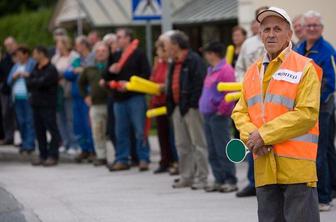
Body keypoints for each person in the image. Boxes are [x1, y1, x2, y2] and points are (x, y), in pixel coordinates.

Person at [232, 7, 321, 221]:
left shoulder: (305, 67)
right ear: (260, 34)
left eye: (277, 29)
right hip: (264, 168)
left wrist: (263, 136)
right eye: (266, 29)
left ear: (289, 34)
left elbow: (307, 114)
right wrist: (253, 137)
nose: (271, 34)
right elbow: (240, 113)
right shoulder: (253, 71)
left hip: (296, 169)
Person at [296, 10, 336, 211]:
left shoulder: (327, 51)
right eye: (308, 25)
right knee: (323, 150)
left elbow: (331, 82)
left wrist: (312, 101)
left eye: (315, 26)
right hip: (303, 108)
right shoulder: (299, 48)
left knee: (319, 151)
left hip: (322, 108)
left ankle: (323, 197)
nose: (311, 29)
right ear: (303, 27)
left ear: (321, 28)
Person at [102, 28, 151, 172]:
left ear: (128, 38)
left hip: (135, 96)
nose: (117, 40)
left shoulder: (139, 54)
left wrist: (129, 84)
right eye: (117, 37)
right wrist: (110, 71)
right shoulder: (115, 55)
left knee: (139, 129)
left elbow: (146, 74)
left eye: (120, 37)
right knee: (120, 130)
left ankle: (143, 158)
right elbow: (105, 77)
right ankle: (122, 158)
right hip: (119, 98)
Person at [164, 30, 208, 189]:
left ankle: (202, 177)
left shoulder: (193, 60)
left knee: (198, 144)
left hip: (191, 108)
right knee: (182, 145)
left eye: (167, 46)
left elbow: (199, 84)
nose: (165, 49)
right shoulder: (173, 62)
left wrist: (192, 104)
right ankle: (186, 176)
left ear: (176, 45)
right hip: (177, 108)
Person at [234, 6, 268, 198]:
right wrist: (243, 85)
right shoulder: (248, 44)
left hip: (273, 102)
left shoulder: (283, 41)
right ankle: (252, 181)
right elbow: (240, 68)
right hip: (253, 100)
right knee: (250, 138)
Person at [199, 42, 237, 193]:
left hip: (218, 115)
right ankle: (219, 178)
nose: (206, 56)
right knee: (213, 149)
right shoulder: (211, 70)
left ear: (213, 54)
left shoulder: (225, 70)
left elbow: (229, 93)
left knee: (222, 148)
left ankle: (230, 179)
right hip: (208, 115)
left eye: (207, 53)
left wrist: (222, 110)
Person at [27, 46, 61, 167]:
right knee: (39, 131)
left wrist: (36, 82)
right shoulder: (35, 67)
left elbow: (44, 82)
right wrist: (36, 81)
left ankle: (53, 155)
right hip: (36, 103)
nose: (33, 56)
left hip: (48, 104)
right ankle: (43, 155)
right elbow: (29, 83)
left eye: (35, 53)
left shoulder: (51, 69)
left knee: (52, 130)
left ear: (42, 54)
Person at [64, 35, 95, 163]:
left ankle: (93, 150)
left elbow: (92, 73)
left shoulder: (92, 58)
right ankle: (84, 149)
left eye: (77, 45)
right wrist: (76, 71)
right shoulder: (77, 59)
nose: (76, 47)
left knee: (89, 124)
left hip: (87, 96)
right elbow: (67, 73)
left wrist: (81, 70)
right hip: (76, 96)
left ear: (84, 45)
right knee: (78, 125)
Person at [150, 34, 178, 174]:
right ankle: (165, 160)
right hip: (157, 100)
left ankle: (174, 160)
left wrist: (163, 86)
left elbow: (171, 80)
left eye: (160, 50)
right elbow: (153, 77)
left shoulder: (171, 62)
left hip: (167, 101)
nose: (158, 53)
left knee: (172, 133)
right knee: (162, 133)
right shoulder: (158, 63)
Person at [78, 42, 109, 167]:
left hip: (110, 103)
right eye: (98, 51)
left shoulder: (112, 66)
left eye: (103, 51)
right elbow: (81, 83)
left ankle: (120, 156)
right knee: (97, 131)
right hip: (96, 104)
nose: (101, 53)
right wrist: (85, 96)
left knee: (113, 131)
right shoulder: (89, 68)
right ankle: (101, 156)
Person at [52, 36, 79, 154]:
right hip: (57, 91)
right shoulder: (56, 58)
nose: (57, 45)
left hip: (68, 91)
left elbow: (73, 71)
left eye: (59, 43)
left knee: (70, 118)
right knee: (60, 118)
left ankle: (74, 143)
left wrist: (61, 74)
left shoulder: (74, 56)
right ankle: (65, 141)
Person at [7, 46, 36, 155]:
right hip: (17, 97)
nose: (18, 57)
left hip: (27, 97)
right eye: (17, 55)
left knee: (29, 121)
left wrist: (25, 74)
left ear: (26, 54)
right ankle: (24, 143)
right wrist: (15, 76)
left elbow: (35, 77)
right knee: (21, 122)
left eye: (20, 55)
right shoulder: (15, 66)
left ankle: (30, 144)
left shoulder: (32, 64)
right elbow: (9, 81)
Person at [0, 37, 17, 145]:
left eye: (10, 44)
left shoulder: (19, 55)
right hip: (6, 90)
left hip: (17, 89)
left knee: (18, 115)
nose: (9, 47)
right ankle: (8, 136)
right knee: (6, 114)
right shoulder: (5, 58)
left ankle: (17, 138)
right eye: (7, 45)